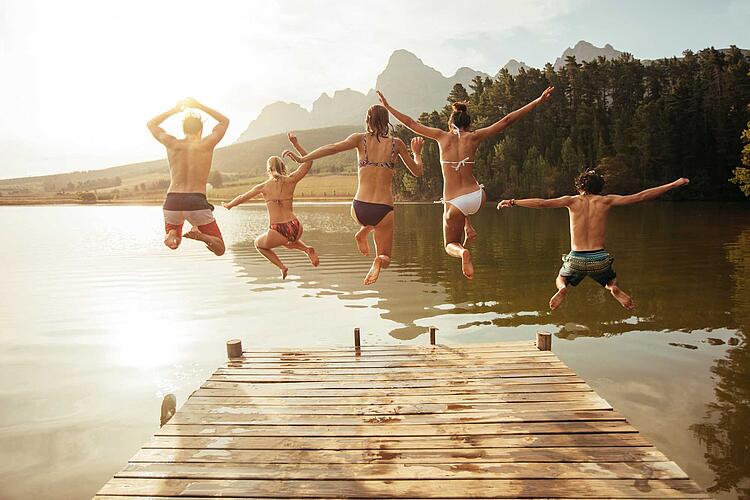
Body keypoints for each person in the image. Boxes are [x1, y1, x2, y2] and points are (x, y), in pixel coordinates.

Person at [377, 87, 554, 279]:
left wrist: (387, 107)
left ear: (450, 123)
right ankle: (467, 226)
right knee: (464, 198)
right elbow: (506, 121)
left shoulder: (441, 136)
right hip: (478, 197)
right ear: (468, 124)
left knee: (449, 245)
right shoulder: (474, 137)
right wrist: (538, 100)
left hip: (455, 203)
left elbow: (410, 122)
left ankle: (463, 253)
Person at [497, 170, 690, 310]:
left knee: (561, 277)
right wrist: (674, 184)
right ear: (600, 187)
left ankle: (563, 289)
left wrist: (513, 202)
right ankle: (613, 288)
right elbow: (641, 196)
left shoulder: (571, 201)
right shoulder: (606, 201)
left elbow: (542, 203)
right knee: (610, 279)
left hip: (576, 258)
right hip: (599, 258)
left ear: (580, 186)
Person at [282, 105, 424, 285]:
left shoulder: (359, 139)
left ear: (368, 121)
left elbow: (332, 148)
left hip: (359, 207)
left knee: (366, 220)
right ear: (386, 121)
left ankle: (364, 230)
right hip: (384, 209)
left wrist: (303, 158)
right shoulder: (397, 144)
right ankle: (377, 259)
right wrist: (417, 153)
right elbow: (417, 171)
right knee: (385, 256)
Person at [224, 133, 320, 279]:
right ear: (283, 167)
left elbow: (242, 197)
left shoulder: (263, 186)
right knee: (287, 242)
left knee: (258, 244)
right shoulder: (291, 180)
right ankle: (307, 249)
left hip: (278, 229)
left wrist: (229, 205)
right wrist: (296, 144)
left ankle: (282, 267)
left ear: (268, 170)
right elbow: (308, 162)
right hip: (295, 225)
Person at [147, 97, 229, 256]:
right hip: (196, 201)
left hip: (172, 201)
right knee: (219, 248)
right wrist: (200, 106)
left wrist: (174, 110)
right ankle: (202, 236)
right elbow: (224, 121)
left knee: (174, 243)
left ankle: (172, 233)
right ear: (200, 130)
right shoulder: (207, 143)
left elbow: (151, 124)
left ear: (184, 129)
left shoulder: (172, 143)